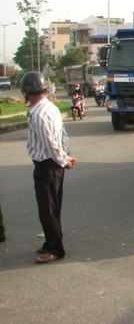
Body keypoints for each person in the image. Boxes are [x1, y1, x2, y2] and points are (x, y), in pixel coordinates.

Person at [21, 72, 77, 264]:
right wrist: (66, 157)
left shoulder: (39, 114)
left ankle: (55, 249)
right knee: (52, 206)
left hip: (47, 165)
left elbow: (51, 143)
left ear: (27, 91)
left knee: (48, 209)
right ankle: (50, 241)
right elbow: (62, 135)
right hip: (53, 163)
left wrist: (63, 160)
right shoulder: (50, 108)